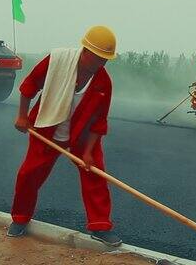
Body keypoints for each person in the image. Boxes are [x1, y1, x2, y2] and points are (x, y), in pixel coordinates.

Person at [8, 25, 122, 247]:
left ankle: (100, 227)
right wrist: (22, 116)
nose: (102, 63)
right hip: (48, 127)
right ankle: (20, 219)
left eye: (106, 59)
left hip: (82, 135)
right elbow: (29, 86)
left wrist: (88, 153)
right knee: (28, 174)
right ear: (85, 51)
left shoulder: (103, 83)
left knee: (95, 174)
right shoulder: (57, 61)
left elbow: (99, 123)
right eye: (99, 58)